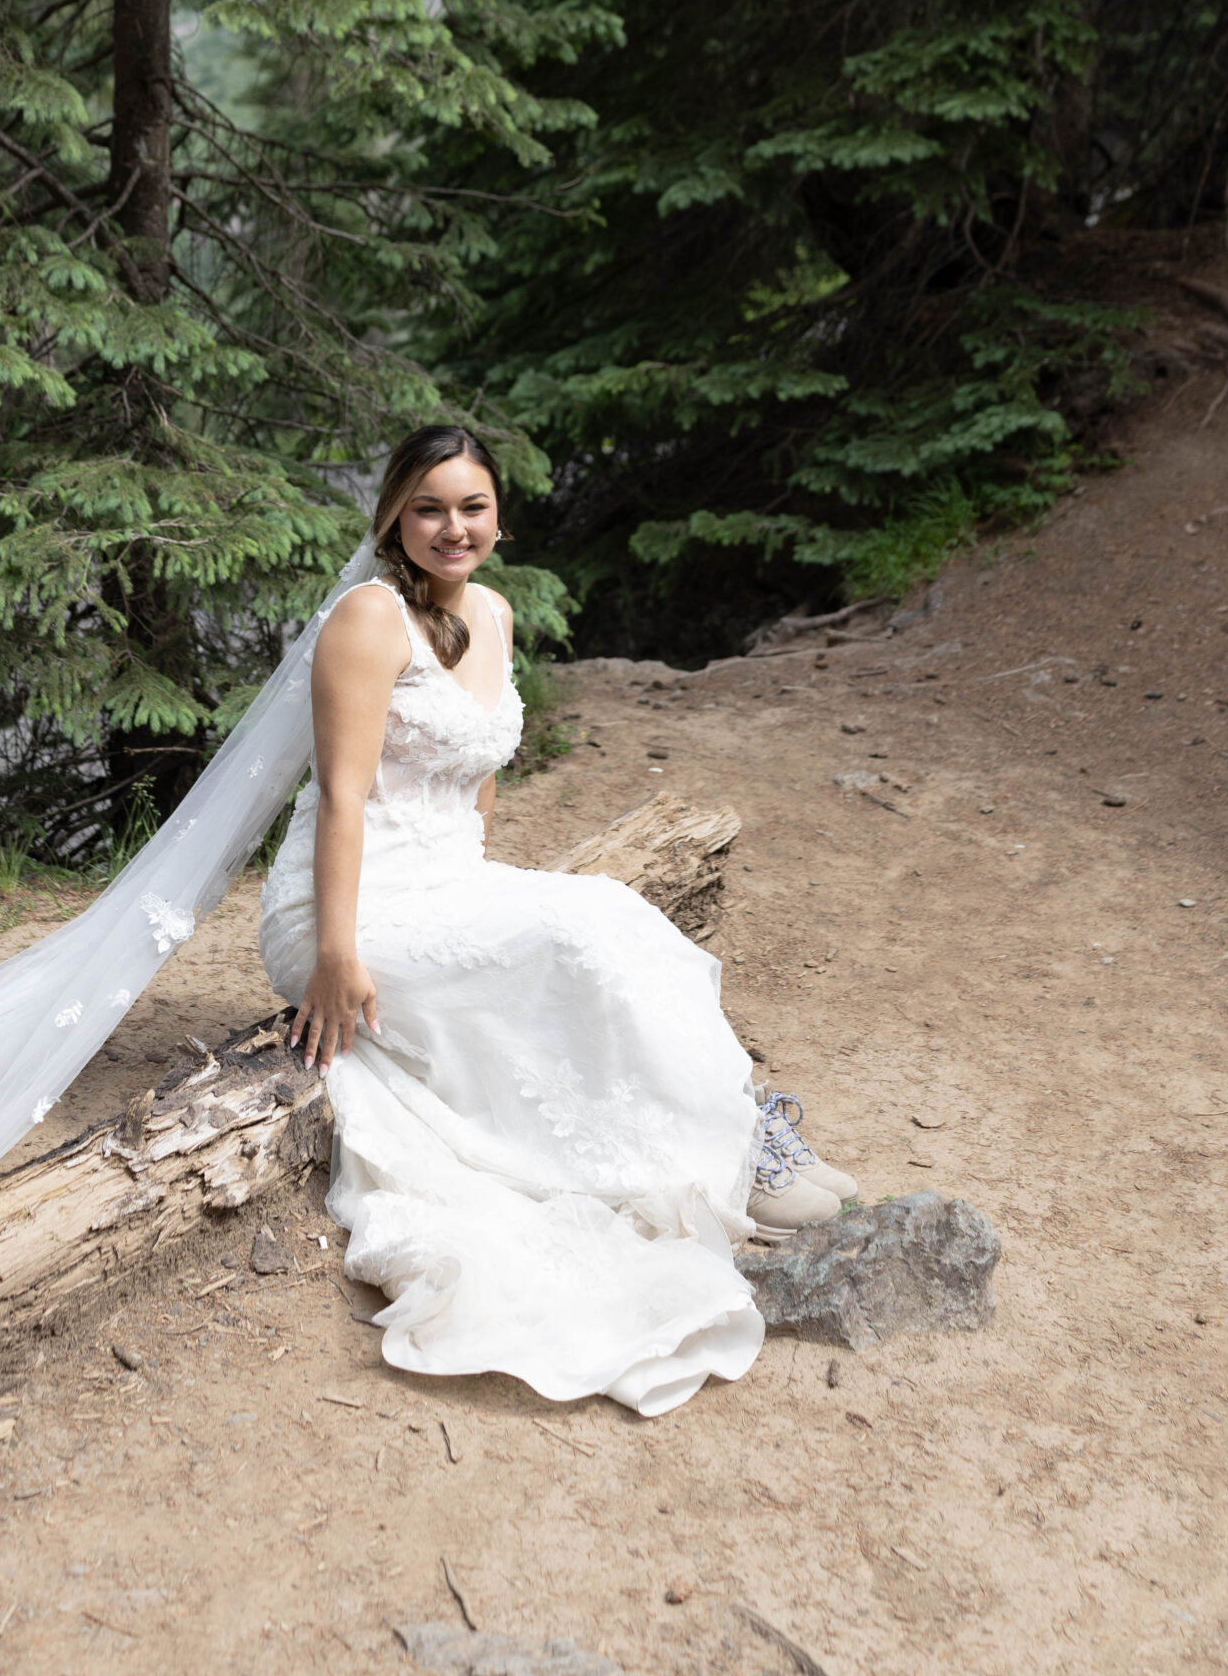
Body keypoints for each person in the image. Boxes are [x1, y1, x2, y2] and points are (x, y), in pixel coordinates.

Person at [258, 424, 858, 1417]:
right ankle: (732, 1154)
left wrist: (496, 890)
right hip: (353, 906)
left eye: (473, 506)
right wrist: (332, 952)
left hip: (451, 880)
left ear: (497, 513)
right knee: (574, 934)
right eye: (430, 508)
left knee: (601, 914)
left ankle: (739, 1135)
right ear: (395, 517)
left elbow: (475, 776)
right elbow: (343, 799)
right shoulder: (368, 620)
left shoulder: (490, 612)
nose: (454, 527)